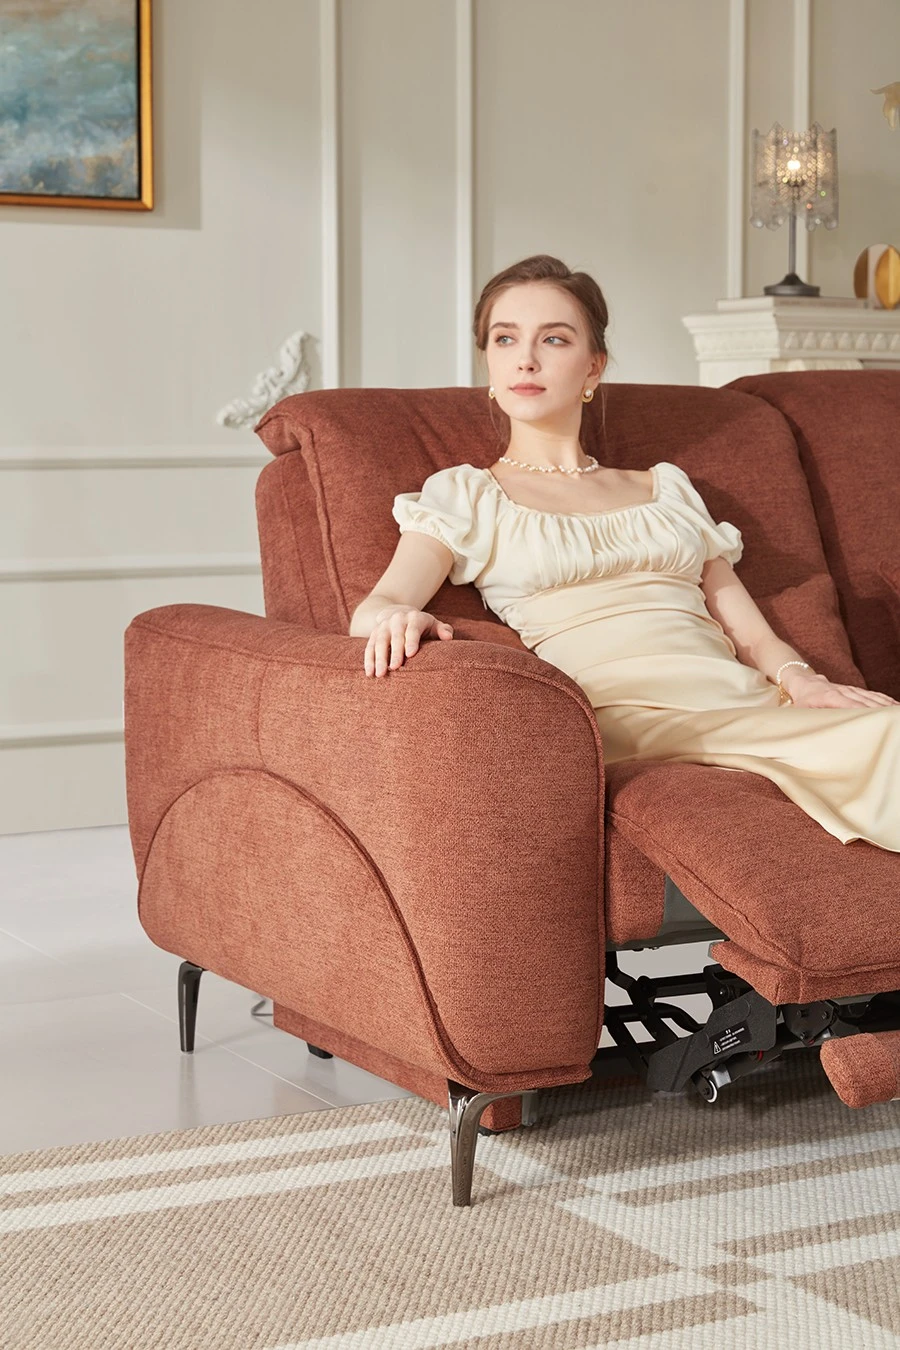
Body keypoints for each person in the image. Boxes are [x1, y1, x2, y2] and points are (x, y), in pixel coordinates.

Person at [349, 254, 900, 851]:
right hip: (628, 724)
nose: (525, 359)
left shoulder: (666, 489)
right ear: (489, 361)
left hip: (743, 703)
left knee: (885, 726)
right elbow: (376, 606)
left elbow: (752, 636)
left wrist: (807, 684)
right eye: (505, 339)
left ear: (594, 366)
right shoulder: (468, 494)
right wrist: (398, 617)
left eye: (553, 339)